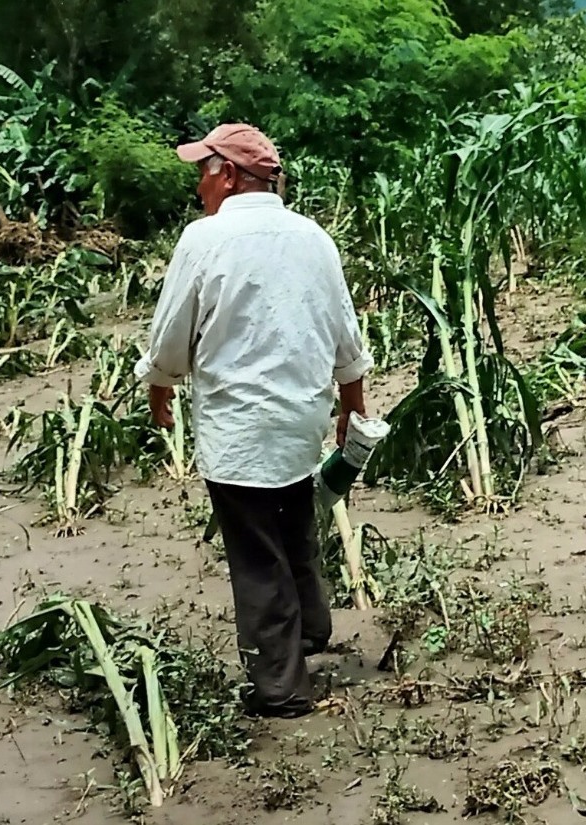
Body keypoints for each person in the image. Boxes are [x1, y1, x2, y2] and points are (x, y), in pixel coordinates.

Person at [134, 123, 373, 719]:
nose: (198, 186)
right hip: (300, 418)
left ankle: (282, 687)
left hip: (238, 426)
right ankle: (311, 629)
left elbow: (172, 338)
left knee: (257, 553)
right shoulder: (314, 238)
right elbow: (346, 335)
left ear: (230, 174)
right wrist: (352, 407)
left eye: (203, 171)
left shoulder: (204, 239)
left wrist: (158, 382)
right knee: (293, 520)